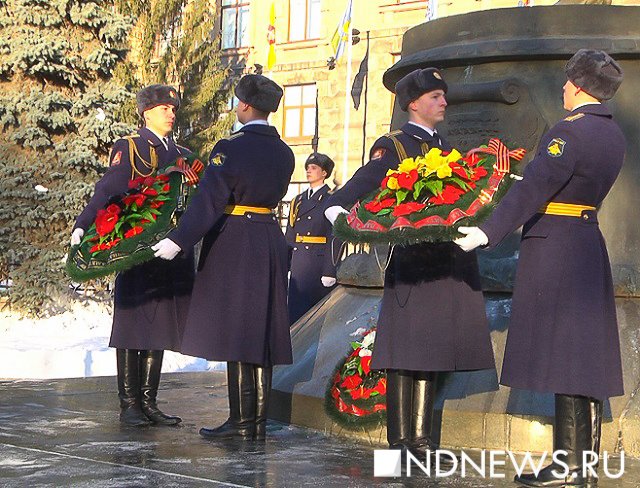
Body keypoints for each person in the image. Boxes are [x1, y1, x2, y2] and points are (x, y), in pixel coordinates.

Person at [455, 49, 625, 486]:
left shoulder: (568, 133)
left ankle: (567, 465)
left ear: (581, 86)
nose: (564, 88)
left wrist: (486, 233)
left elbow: (537, 187)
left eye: (569, 82)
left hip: (556, 248)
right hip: (586, 242)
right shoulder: (612, 134)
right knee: (582, 357)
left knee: (564, 356)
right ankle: (582, 464)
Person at [324, 68, 495, 458]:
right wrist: (337, 208)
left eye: (443, 96)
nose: (444, 102)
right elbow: (364, 182)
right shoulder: (396, 146)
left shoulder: (446, 147)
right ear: (413, 103)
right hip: (414, 265)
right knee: (405, 353)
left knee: (431, 349)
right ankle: (400, 440)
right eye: (436, 96)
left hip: (446, 262)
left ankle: (421, 440)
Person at [152, 74, 295, 442]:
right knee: (259, 333)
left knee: (237, 331)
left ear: (245, 106)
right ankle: (255, 422)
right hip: (268, 235)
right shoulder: (285, 151)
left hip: (237, 240)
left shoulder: (230, 148)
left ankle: (241, 421)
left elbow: (210, 201)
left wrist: (179, 240)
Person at [71, 85, 195, 427]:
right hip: (136, 251)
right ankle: (129, 404)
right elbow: (108, 189)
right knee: (132, 324)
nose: (171, 113)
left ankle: (149, 402)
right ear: (147, 113)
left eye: (173, 108)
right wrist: (84, 224)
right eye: (164, 107)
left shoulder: (182, 151)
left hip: (169, 253)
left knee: (160, 326)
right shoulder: (131, 147)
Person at [286, 152, 340, 324]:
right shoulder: (298, 201)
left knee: (313, 318)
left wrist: (329, 270)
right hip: (299, 262)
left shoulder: (331, 199)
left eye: (314, 168)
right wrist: (285, 263)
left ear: (324, 173)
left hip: (317, 263)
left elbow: (336, 235)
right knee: (294, 315)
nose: (309, 171)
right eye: (307, 168)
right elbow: (290, 235)